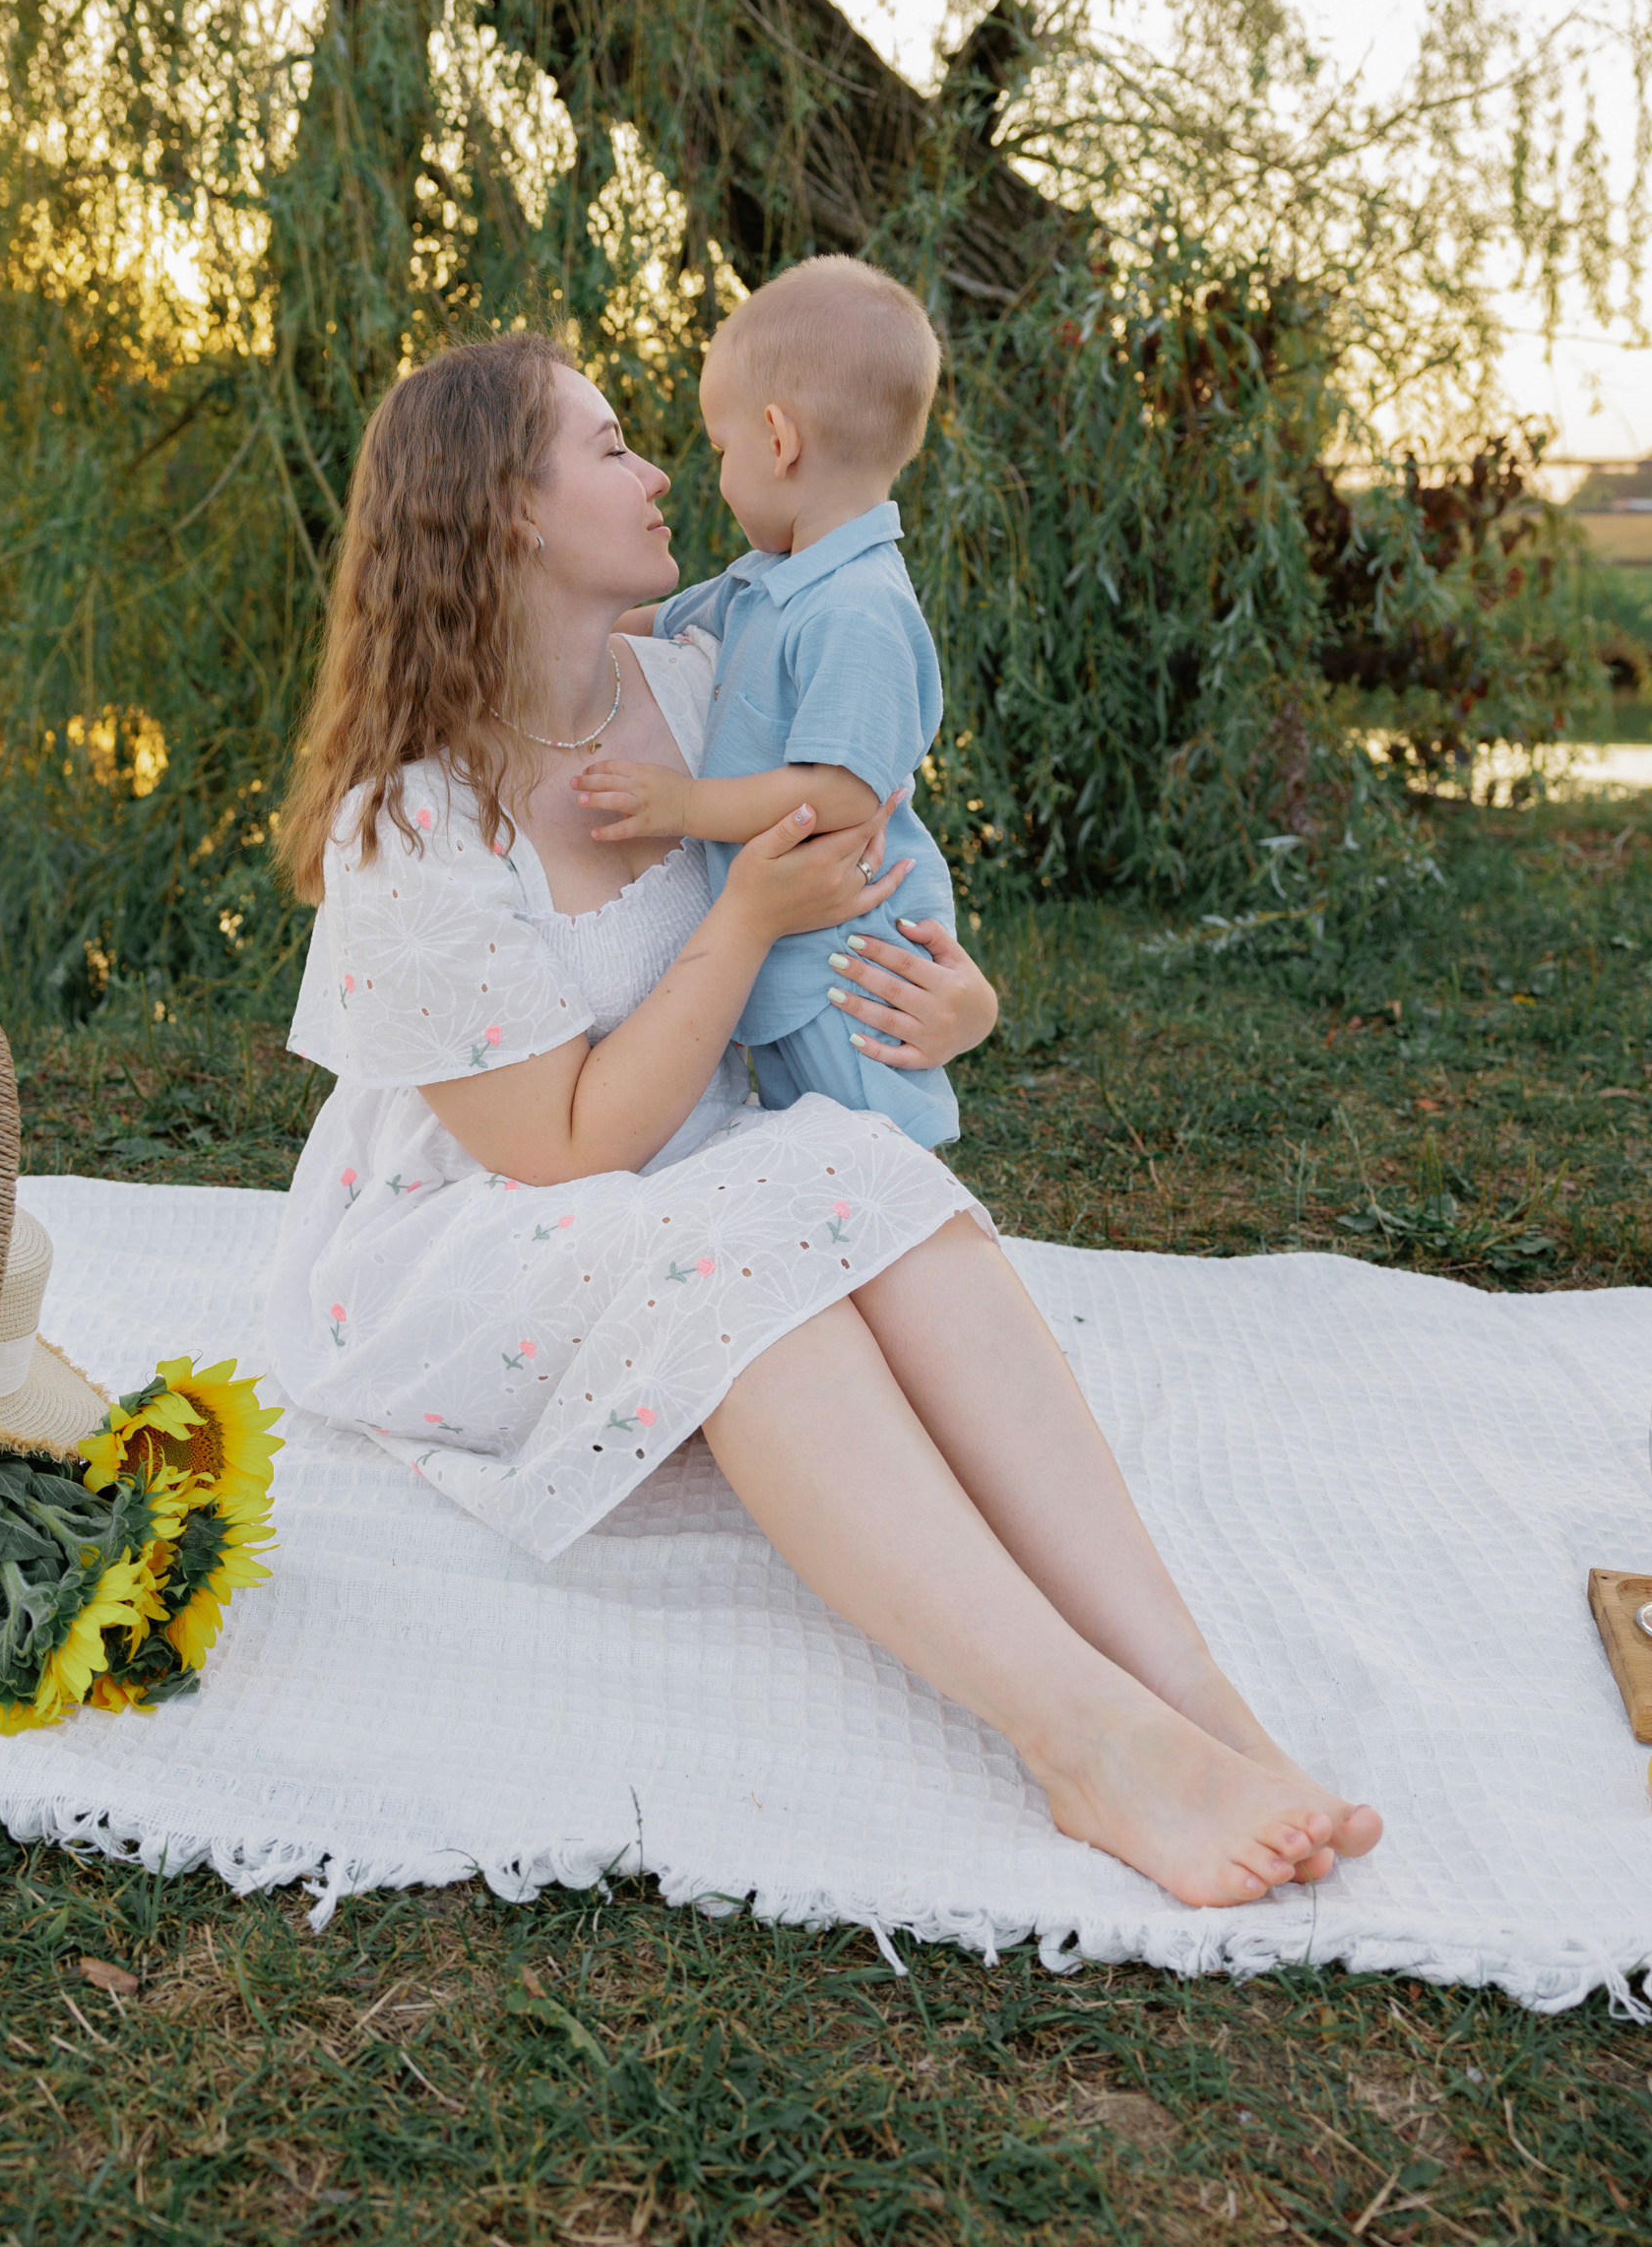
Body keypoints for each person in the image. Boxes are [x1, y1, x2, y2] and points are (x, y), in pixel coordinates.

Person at [266, 331, 1383, 1910]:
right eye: (608, 447)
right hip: (481, 1223)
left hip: (696, 1152)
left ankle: (1197, 1700)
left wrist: (954, 995)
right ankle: (1084, 1744)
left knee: (867, 1182)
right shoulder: (409, 824)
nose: (658, 473)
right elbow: (557, 1147)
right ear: (509, 509)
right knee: (748, 1259)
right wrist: (741, 922)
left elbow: (882, 862)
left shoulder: (702, 688)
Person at [574, 256, 961, 1147]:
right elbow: (651, 621)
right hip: (796, 945)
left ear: (779, 440)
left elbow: (842, 793)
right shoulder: (766, 583)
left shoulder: (857, 608)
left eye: (721, 449)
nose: (714, 475)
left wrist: (683, 806)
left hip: (852, 954)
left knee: (869, 1142)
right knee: (806, 1142)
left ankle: (904, 1224)